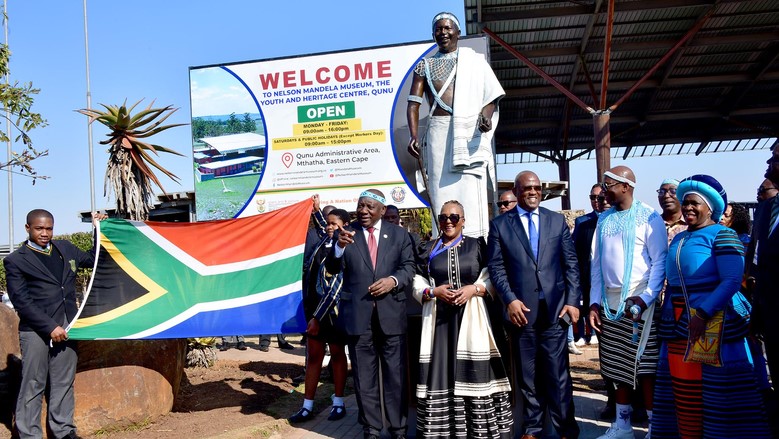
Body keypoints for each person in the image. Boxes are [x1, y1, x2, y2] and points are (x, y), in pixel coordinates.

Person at [651, 175, 770, 438]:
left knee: (719, 394)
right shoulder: (680, 239)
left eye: (695, 203)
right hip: (679, 326)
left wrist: (703, 313)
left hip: (715, 322)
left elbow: (730, 281)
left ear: (709, 207)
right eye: (685, 203)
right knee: (684, 391)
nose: (688, 208)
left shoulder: (723, 235)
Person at [488, 170, 581, 439]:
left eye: (537, 188)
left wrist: (573, 301)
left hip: (555, 312)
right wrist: (510, 300)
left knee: (558, 376)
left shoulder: (556, 221)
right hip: (521, 313)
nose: (533, 192)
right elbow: (496, 267)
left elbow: (571, 264)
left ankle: (566, 429)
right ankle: (532, 429)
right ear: (516, 191)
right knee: (528, 378)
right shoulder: (501, 225)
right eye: (527, 188)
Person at [412, 200, 512, 438]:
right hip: (439, 323)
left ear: (463, 221)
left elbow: (492, 275)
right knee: (442, 371)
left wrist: (474, 289)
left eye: (454, 217)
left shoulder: (478, 246)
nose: (448, 221)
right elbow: (418, 280)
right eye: (444, 217)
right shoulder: (428, 248)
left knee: (474, 373)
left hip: (472, 319)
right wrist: (432, 292)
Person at [4, 209, 106, 439]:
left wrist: (99, 230)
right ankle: (29, 435)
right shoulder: (16, 261)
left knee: (63, 382)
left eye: (49, 228)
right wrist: (49, 327)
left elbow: (92, 258)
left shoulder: (66, 248)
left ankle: (64, 431)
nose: (45, 233)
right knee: (33, 383)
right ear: (27, 228)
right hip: (36, 330)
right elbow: (22, 302)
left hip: (67, 326)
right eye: (39, 228)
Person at [325, 189, 415, 439]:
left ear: (382, 211)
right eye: (360, 206)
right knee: (364, 377)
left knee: (395, 377)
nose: (363, 211)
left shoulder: (399, 235)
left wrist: (393, 281)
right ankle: (372, 428)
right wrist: (339, 249)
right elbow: (332, 267)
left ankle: (398, 428)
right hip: (358, 317)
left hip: (391, 316)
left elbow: (409, 267)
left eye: (370, 207)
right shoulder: (346, 233)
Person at [406, 12, 505, 239]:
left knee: (470, 191)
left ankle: (476, 242)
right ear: (433, 35)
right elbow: (413, 105)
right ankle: (442, 243)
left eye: (447, 28)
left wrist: (486, 116)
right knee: (440, 192)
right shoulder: (424, 66)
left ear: (458, 33)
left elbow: (490, 97)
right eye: (438, 29)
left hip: (469, 132)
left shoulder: (475, 61)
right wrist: (413, 136)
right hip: (438, 133)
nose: (443, 33)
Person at [589, 166, 667, 439]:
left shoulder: (649, 217)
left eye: (609, 184)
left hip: (639, 303)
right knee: (617, 366)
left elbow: (659, 262)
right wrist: (594, 303)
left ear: (626, 186)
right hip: (610, 305)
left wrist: (646, 298)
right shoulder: (604, 220)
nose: (605, 189)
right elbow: (596, 264)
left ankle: (654, 428)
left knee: (644, 368)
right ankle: (622, 426)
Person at [289, 207, 352, 423]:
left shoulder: (345, 246)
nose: (329, 226)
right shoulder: (322, 242)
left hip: (332, 313)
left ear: (345, 225)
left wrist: (317, 317)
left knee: (336, 355)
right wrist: (316, 210)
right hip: (314, 311)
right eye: (327, 223)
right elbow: (322, 225)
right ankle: (307, 406)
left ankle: (339, 402)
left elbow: (334, 287)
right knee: (314, 357)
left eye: (334, 223)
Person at [748, 145, 779, 395]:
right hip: (770, 312)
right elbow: (756, 261)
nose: (769, 163)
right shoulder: (766, 209)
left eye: (776, 157)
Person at [573, 184, 606, 348]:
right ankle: (583, 334)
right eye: (592, 197)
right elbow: (575, 249)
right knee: (584, 304)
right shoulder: (582, 222)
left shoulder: (615, 219)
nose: (596, 201)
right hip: (586, 274)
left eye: (599, 197)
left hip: (608, 277)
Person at [657, 178, 687, 244]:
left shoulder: (691, 225)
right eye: (662, 192)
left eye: (673, 191)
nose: (666, 196)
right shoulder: (653, 224)